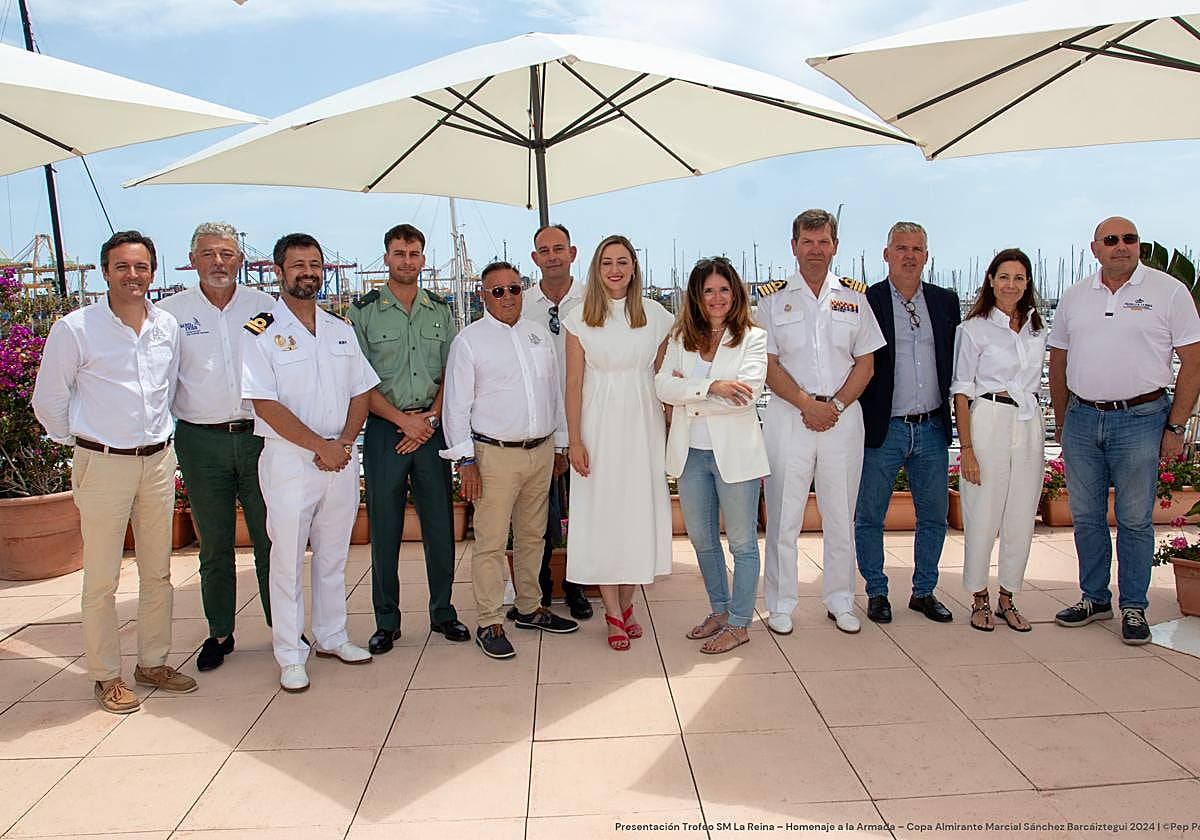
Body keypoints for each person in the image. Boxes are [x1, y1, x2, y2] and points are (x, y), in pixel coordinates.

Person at [32, 230, 197, 714]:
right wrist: (86, 443)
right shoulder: (75, 328)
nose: (133, 276)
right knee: (102, 578)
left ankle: (153, 662)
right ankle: (106, 675)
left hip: (158, 461)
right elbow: (50, 401)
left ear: (153, 271)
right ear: (105, 271)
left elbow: (167, 392)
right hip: (102, 462)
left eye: (142, 267)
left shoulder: (166, 326)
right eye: (123, 267)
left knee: (159, 572)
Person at [1049, 217, 1200, 645]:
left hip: (1142, 419)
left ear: (1138, 246)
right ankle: (1094, 598)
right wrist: (1062, 420)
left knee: (1134, 520)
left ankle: (1134, 606)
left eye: (1129, 239)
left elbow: (1194, 360)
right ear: (1095, 248)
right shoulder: (1076, 296)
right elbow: (1057, 361)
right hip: (1081, 419)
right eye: (1111, 240)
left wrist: (1176, 425)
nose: (1121, 246)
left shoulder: (1168, 291)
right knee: (1086, 518)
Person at [241, 233, 378, 691]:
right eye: (298, 265)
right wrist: (320, 447)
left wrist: (341, 442)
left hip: (339, 458)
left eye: (315, 265)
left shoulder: (340, 328)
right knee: (286, 560)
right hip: (290, 460)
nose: (308, 273)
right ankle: (290, 652)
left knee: (334, 554)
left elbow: (361, 391)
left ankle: (332, 635)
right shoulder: (260, 330)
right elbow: (265, 403)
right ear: (278, 272)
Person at [441, 261, 578, 659]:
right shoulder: (470, 342)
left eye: (513, 289)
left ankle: (530, 607)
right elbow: (456, 407)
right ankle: (489, 620)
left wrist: (560, 446)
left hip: (540, 451)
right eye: (497, 291)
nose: (506, 297)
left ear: (523, 290)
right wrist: (465, 462)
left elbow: (553, 396)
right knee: (490, 541)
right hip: (493, 456)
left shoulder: (538, 335)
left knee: (534, 536)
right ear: (483, 295)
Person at [760, 209, 885, 636]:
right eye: (807, 241)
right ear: (793, 246)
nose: (816, 249)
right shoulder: (771, 299)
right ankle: (780, 602)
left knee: (839, 514)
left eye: (824, 241)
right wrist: (805, 404)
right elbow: (767, 363)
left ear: (835, 246)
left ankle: (840, 600)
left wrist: (832, 405)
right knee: (782, 516)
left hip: (842, 418)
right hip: (788, 416)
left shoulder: (855, 298)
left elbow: (866, 363)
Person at [159, 222, 275, 671]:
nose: (218, 262)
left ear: (240, 259)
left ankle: (283, 627)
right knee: (214, 544)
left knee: (273, 539)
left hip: (259, 438)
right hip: (200, 440)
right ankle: (220, 632)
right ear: (193, 260)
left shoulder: (264, 308)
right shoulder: (170, 314)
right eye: (208, 254)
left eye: (226, 253)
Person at [347, 224, 468, 653]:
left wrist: (430, 419)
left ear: (423, 258)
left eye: (414, 253)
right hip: (384, 430)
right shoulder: (362, 313)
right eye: (399, 253)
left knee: (440, 526)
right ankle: (386, 620)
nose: (407, 261)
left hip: (431, 431)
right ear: (386, 258)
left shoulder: (440, 310)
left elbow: (453, 373)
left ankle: (444, 612)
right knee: (385, 527)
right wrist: (403, 421)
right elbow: (359, 382)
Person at [564, 234, 674, 650]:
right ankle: (611, 610)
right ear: (596, 268)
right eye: (607, 262)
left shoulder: (657, 315)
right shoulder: (579, 318)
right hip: (598, 424)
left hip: (643, 423)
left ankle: (628, 603)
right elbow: (573, 382)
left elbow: (666, 373)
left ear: (633, 267)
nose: (615, 269)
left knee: (637, 513)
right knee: (604, 514)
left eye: (622, 262)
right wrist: (575, 440)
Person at [656, 257, 769, 654]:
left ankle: (740, 622)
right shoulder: (680, 338)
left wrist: (691, 392)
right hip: (691, 455)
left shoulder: (753, 338)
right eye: (708, 291)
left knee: (741, 543)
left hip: (734, 455)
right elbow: (661, 385)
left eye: (724, 289)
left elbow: (747, 395)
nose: (717, 297)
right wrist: (712, 387)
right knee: (702, 541)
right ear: (697, 297)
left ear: (734, 293)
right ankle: (720, 611)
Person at [855, 222, 960, 624]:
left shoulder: (946, 301)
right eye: (901, 248)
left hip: (932, 427)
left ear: (927, 256)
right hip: (884, 427)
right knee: (869, 516)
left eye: (917, 248)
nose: (909, 255)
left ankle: (924, 591)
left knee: (933, 515)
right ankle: (877, 591)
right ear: (886, 254)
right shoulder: (867, 301)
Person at [952, 248, 1046, 632]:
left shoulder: (1037, 327)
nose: (1011, 285)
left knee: (1022, 513)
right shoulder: (972, 329)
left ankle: (1008, 595)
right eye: (1004, 277)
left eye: (1019, 278)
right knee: (982, 512)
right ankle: (979, 597)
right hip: (989, 417)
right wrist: (968, 449)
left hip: (1028, 421)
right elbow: (961, 390)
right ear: (991, 280)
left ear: (1027, 284)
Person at [521, 223, 592, 620]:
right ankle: (542, 586)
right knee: (539, 516)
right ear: (535, 258)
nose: (552, 256)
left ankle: (577, 587)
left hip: (585, 422)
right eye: (544, 250)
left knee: (582, 512)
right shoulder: (522, 304)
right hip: (539, 427)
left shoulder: (592, 301)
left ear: (572, 253)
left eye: (559, 249)